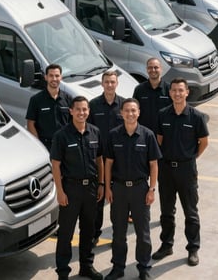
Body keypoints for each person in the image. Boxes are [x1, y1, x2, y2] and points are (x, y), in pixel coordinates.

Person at [152, 78, 209, 267]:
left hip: (186, 170)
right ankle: (166, 245)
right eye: (174, 90)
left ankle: (193, 248)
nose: (177, 93)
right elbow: (159, 140)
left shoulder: (196, 117)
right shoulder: (163, 115)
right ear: (170, 93)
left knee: (190, 212)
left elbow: (203, 142)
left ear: (187, 93)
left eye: (180, 90)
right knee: (167, 212)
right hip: (166, 169)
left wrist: (189, 158)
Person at [104, 98, 162, 280]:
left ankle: (144, 268)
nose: (130, 114)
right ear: (121, 113)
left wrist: (152, 189)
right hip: (119, 189)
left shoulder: (148, 135)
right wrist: (108, 188)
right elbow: (108, 164)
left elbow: (154, 165)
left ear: (139, 113)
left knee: (143, 233)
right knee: (119, 232)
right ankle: (118, 267)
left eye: (133, 110)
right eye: (127, 110)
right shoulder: (113, 135)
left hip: (140, 190)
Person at [50, 96, 104, 280]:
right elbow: (55, 165)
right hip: (70, 190)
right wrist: (60, 191)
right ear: (71, 111)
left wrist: (102, 184)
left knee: (88, 231)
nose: (82, 113)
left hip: (91, 189)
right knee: (66, 233)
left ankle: (86, 266)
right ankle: (63, 272)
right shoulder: (61, 135)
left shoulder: (95, 132)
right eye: (78, 109)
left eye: (85, 109)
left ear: (88, 111)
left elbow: (99, 160)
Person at [88, 70, 125, 247]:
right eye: (107, 82)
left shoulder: (124, 105)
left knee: (118, 202)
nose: (110, 85)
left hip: (119, 160)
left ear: (117, 83)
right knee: (98, 200)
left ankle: (118, 234)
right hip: (99, 160)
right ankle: (95, 233)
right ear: (102, 84)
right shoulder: (93, 105)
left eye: (112, 82)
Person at [26, 63, 72, 151]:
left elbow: (73, 122)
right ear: (46, 77)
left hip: (65, 144)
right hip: (46, 146)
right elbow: (30, 124)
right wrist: (39, 145)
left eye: (57, 76)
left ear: (61, 77)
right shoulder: (36, 100)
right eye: (51, 76)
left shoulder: (68, 99)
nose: (54, 79)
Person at [133, 57, 172, 134]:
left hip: (165, 133)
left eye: (156, 67)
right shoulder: (139, 89)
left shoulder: (170, 89)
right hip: (144, 132)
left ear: (161, 69)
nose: (153, 70)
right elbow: (134, 110)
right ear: (147, 69)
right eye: (150, 67)